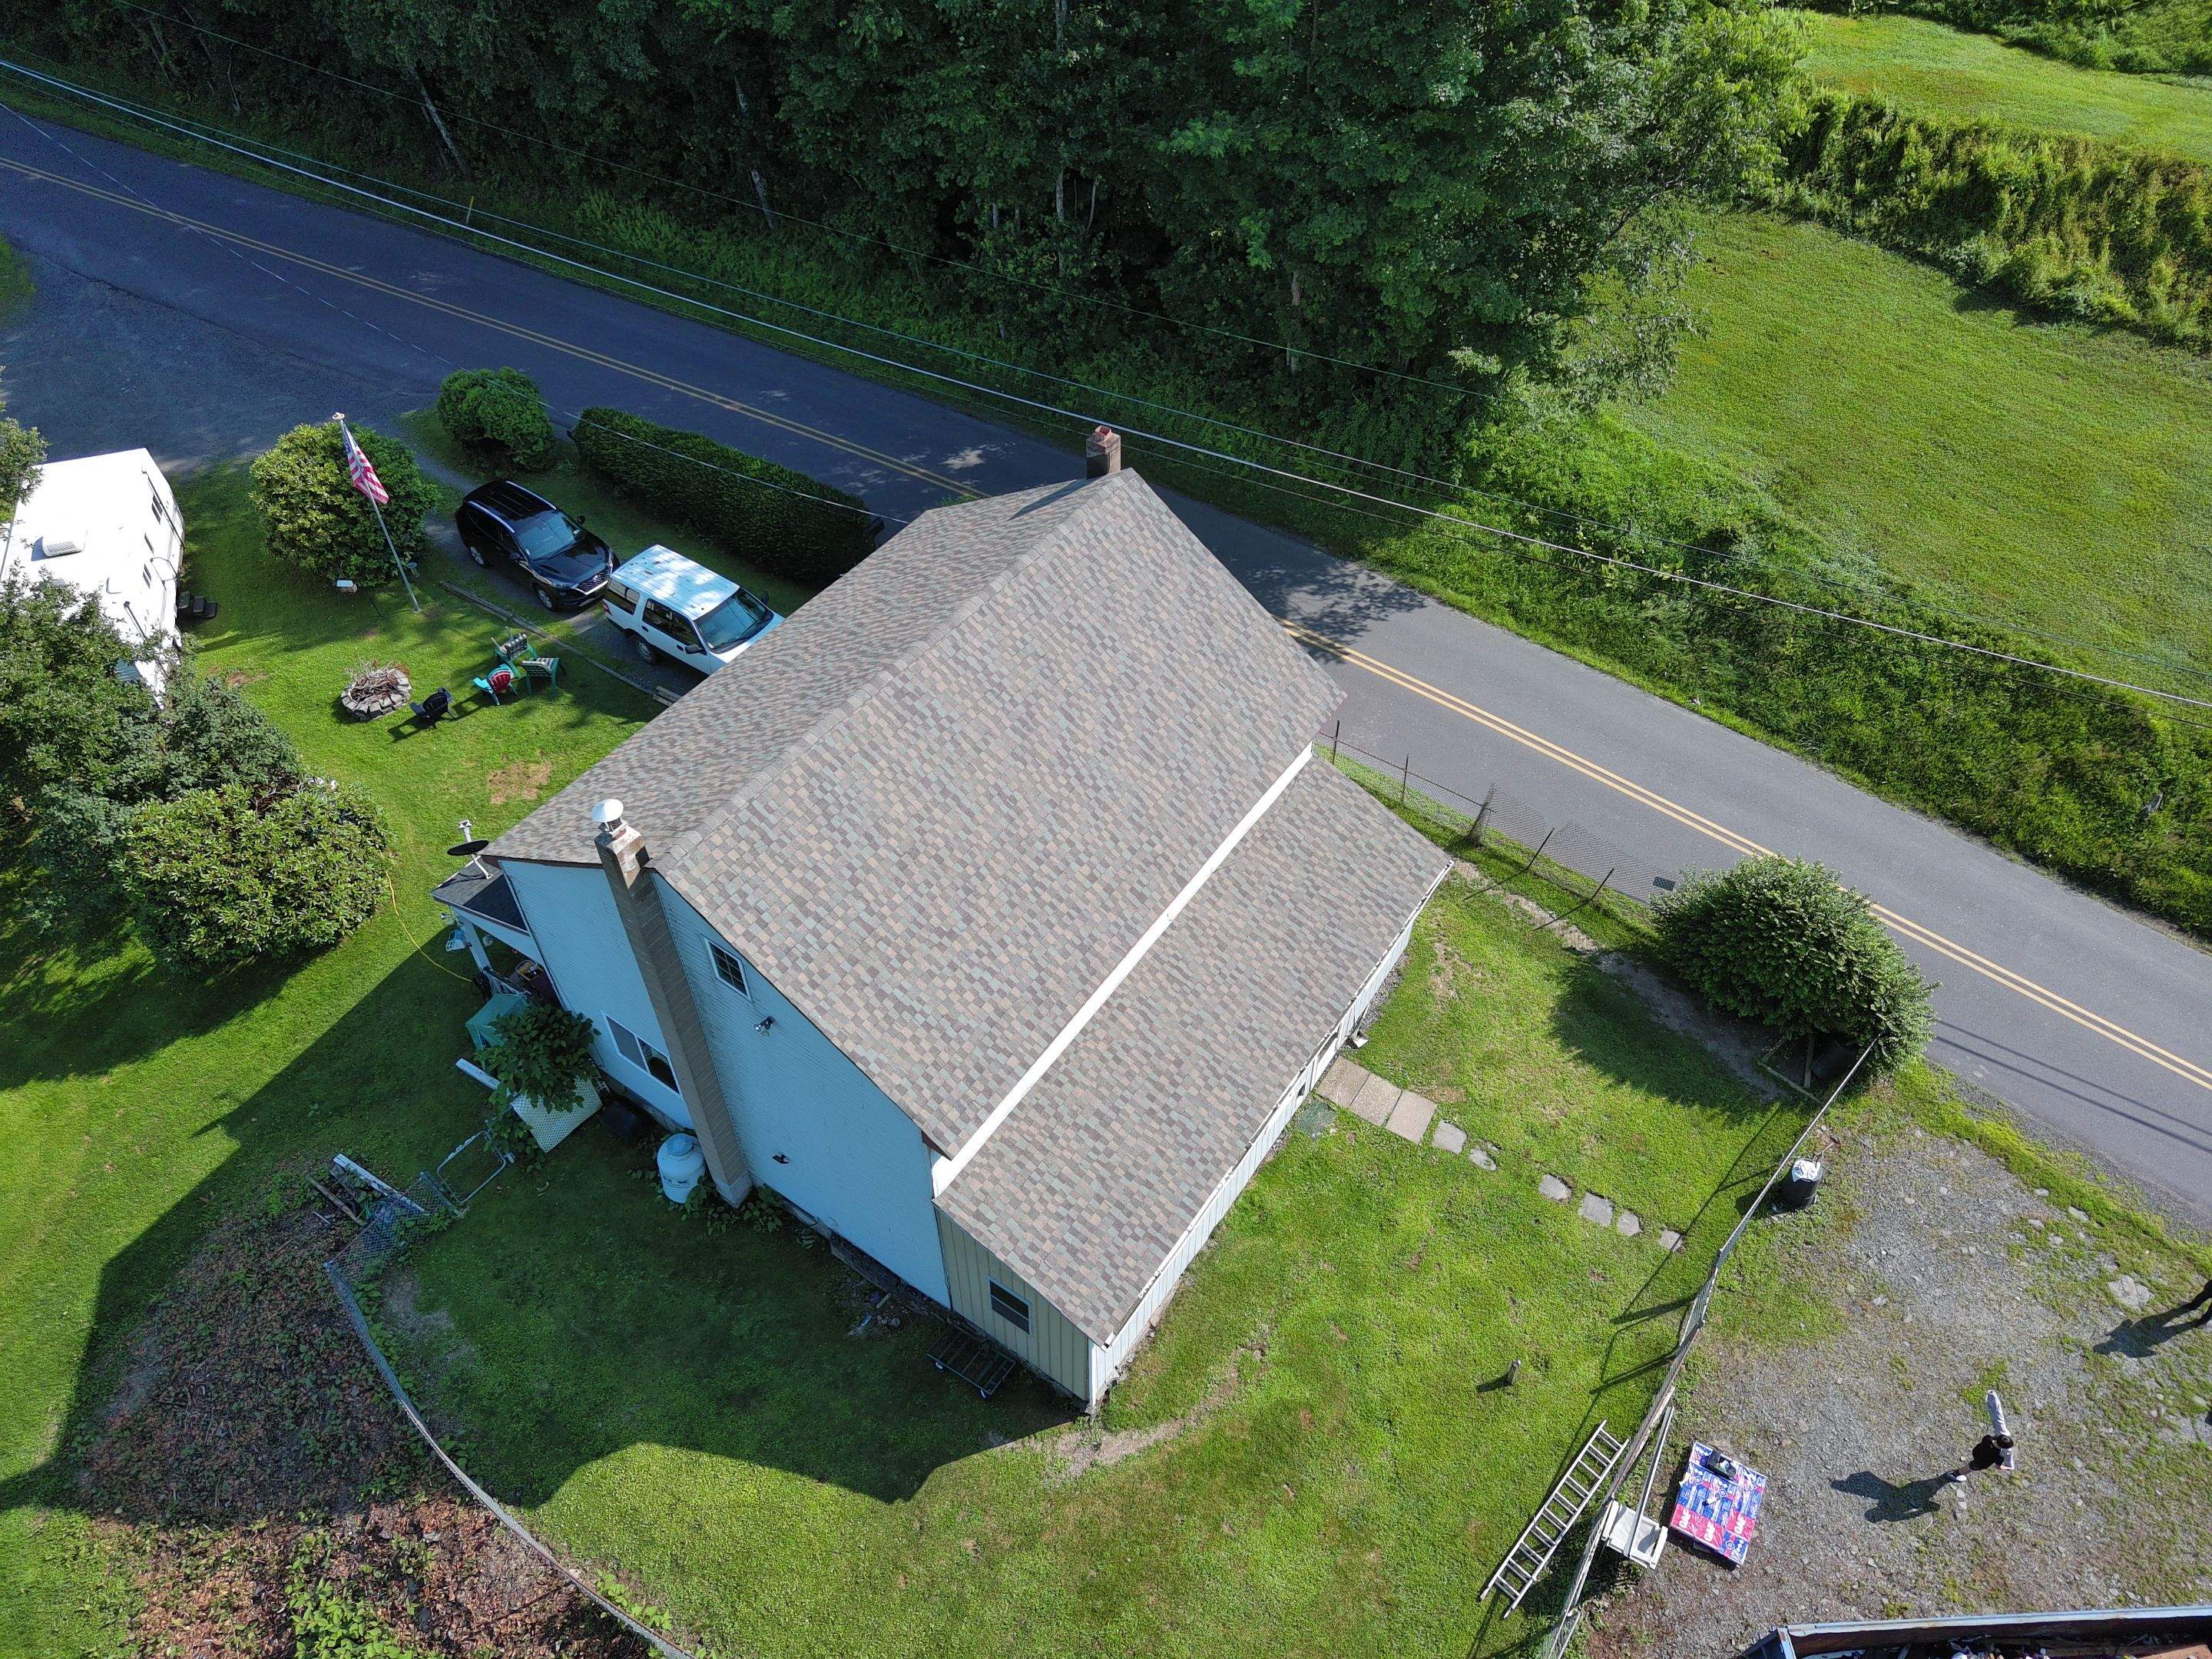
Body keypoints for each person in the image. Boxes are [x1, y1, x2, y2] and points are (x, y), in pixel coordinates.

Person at [1947, 1431, 2013, 1482]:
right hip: (1980, 1463)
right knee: (1969, 1468)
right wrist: (2008, 1468)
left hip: (1976, 1452)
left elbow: (1994, 1437)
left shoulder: (1987, 1438)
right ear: (2004, 1448)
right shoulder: (1999, 1456)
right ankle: (1954, 1475)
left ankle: (1956, 1473)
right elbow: (1997, 1467)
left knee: (1972, 1464)